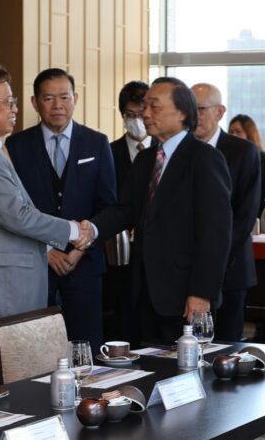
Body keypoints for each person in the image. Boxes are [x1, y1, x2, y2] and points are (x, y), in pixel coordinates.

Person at [0, 66, 92, 375]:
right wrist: (72, 230)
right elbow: (16, 215)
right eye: (8, 102)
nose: (15, 109)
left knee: (4, 385)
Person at [90, 77, 233, 346]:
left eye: (154, 107)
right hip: (143, 292)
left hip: (185, 295)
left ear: (181, 113)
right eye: (145, 106)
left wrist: (201, 292)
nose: (145, 114)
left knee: (184, 369)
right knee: (146, 365)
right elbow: (124, 210)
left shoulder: (204, 158)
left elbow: (216, 234)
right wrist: (89, 229)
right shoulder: (146, 159)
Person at [6, 68, 117, 353]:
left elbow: (108, 205)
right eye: (49, 98)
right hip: (36, 267)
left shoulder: (96, 143)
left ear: (75, 99)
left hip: (86, 265)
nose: (58, 105)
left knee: (87, 347)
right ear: (35, 102)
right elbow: (14, 208)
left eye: (65, 97)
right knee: (35, 348)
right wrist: (46, 250)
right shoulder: (16, 146)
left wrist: (81, 247)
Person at [192, 84, 262, 341]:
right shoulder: (182, 150)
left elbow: (245, 214)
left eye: (200, 109)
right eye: (189, 109)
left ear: (219, 112)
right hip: (187, 269)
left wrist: (214, 257)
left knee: (227, 345)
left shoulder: (243, 151)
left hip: (231, 268)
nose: (194, 116)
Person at [103, 80, 151, 342]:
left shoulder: (162, 151)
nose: (136, 122)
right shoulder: (108, 152)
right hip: (117, 254)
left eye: (140, 114)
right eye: (130, 115)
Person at [229, 114, 265, 212]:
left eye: (238, 132)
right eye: (231, 132)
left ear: (250, 134)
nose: (233, 135)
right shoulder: (226, 160)